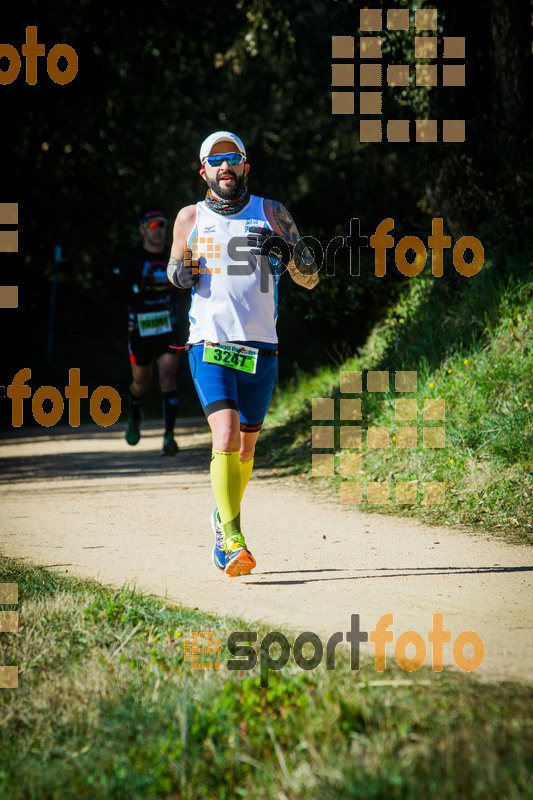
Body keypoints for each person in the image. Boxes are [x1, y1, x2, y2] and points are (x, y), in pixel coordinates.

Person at [167, 131, 318, 577]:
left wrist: (285, 254)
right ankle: (231, 539)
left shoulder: (272, 213)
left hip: (261, 351)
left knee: (246, 451)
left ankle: (220, 514)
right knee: (227, 438)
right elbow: (175, 271)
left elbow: (311, 277)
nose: (225, 166)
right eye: (216, 161)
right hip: (209, 345)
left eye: (233, 158)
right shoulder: (189, 217)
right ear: (204, 172)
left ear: (245, 166)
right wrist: (183, 271)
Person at [112, 207, 184, 455]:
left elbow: (184, 284)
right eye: (153, 226)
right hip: (140, 329)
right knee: (140, 383)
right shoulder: (130, 258)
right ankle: (134, 413)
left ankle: (169, 437)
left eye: (162, 225)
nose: (159, 230)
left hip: (168, 327)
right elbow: (117, 292)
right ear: (142, 230)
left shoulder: (172, 254)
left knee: (167, 377)